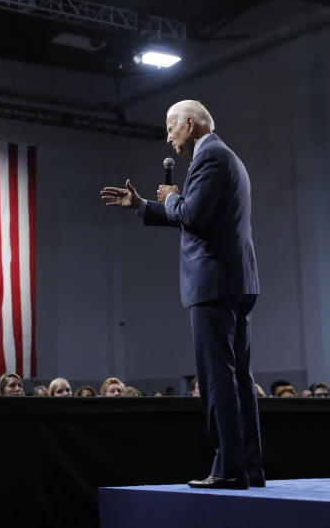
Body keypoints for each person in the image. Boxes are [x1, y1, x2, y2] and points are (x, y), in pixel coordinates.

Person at [101, 99, 263, 490]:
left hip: (213, 284)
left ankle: (228, 468)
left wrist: (171, 197)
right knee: (239, 377)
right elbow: (197, 214)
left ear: (190, 124)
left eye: (171, 126)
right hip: (237, 281)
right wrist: (143, 205)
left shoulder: (210, 158)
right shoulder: (227, 157)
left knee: (217, 379)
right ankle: (248, 468)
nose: (168, 136)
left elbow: (192, 216)